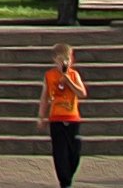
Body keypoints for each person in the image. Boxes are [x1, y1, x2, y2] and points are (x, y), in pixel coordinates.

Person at [39, 41, 89, 188]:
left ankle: (68, 176)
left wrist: (68, 80)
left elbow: (82, 93)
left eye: (69, 58)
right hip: (56, 118)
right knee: (60, 152)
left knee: (74, 152)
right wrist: (41, 116)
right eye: (62, 59)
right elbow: (45, 98)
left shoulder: (74, 75)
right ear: (55, 60)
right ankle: (64, 182)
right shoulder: (49, 76)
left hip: (72, 118)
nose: (66, 62)